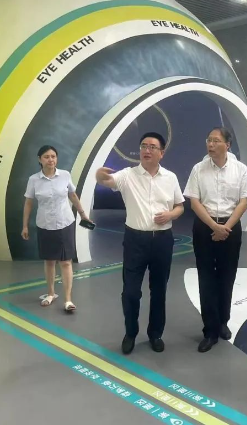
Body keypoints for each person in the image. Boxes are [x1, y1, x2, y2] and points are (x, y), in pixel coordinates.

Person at [95, 133, 184, 355]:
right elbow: (106, 181)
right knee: (130, 292)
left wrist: (170, 215)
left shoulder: (170, 178)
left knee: (159, 290)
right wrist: (98, 175)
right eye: (144, 145)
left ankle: (155, 334)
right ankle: (130, 333)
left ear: (161, 152)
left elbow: (180, 206)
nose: (147, 150)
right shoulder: (127, 175)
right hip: (135, 240)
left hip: (162, 240)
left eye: (152, 147)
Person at [184, 127, 247, 353]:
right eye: (209, 140)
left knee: (227, 276)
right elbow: (194, 202)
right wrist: (214, 227)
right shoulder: (198, 168)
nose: (210, 144)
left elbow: (243, 202)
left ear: (227, 145)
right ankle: (210, 330)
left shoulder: (240, 169)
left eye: (215, 140)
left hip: (230, 226)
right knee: (206, 278)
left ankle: (223, 321)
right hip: (205, 227)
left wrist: (226, 227)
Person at [22, 145, 90, 312]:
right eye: (46, 157)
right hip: (45, 224)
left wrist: (82, 214)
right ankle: (51, 293)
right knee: (49, 261)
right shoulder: (33, 180)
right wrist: (25, 226)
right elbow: (29, 202)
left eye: (53, 156)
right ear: (39, 159)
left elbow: (72, 195)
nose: (50, 160)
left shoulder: (65, 175)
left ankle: (68, 299)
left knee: (66, 262)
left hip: (65, 223)